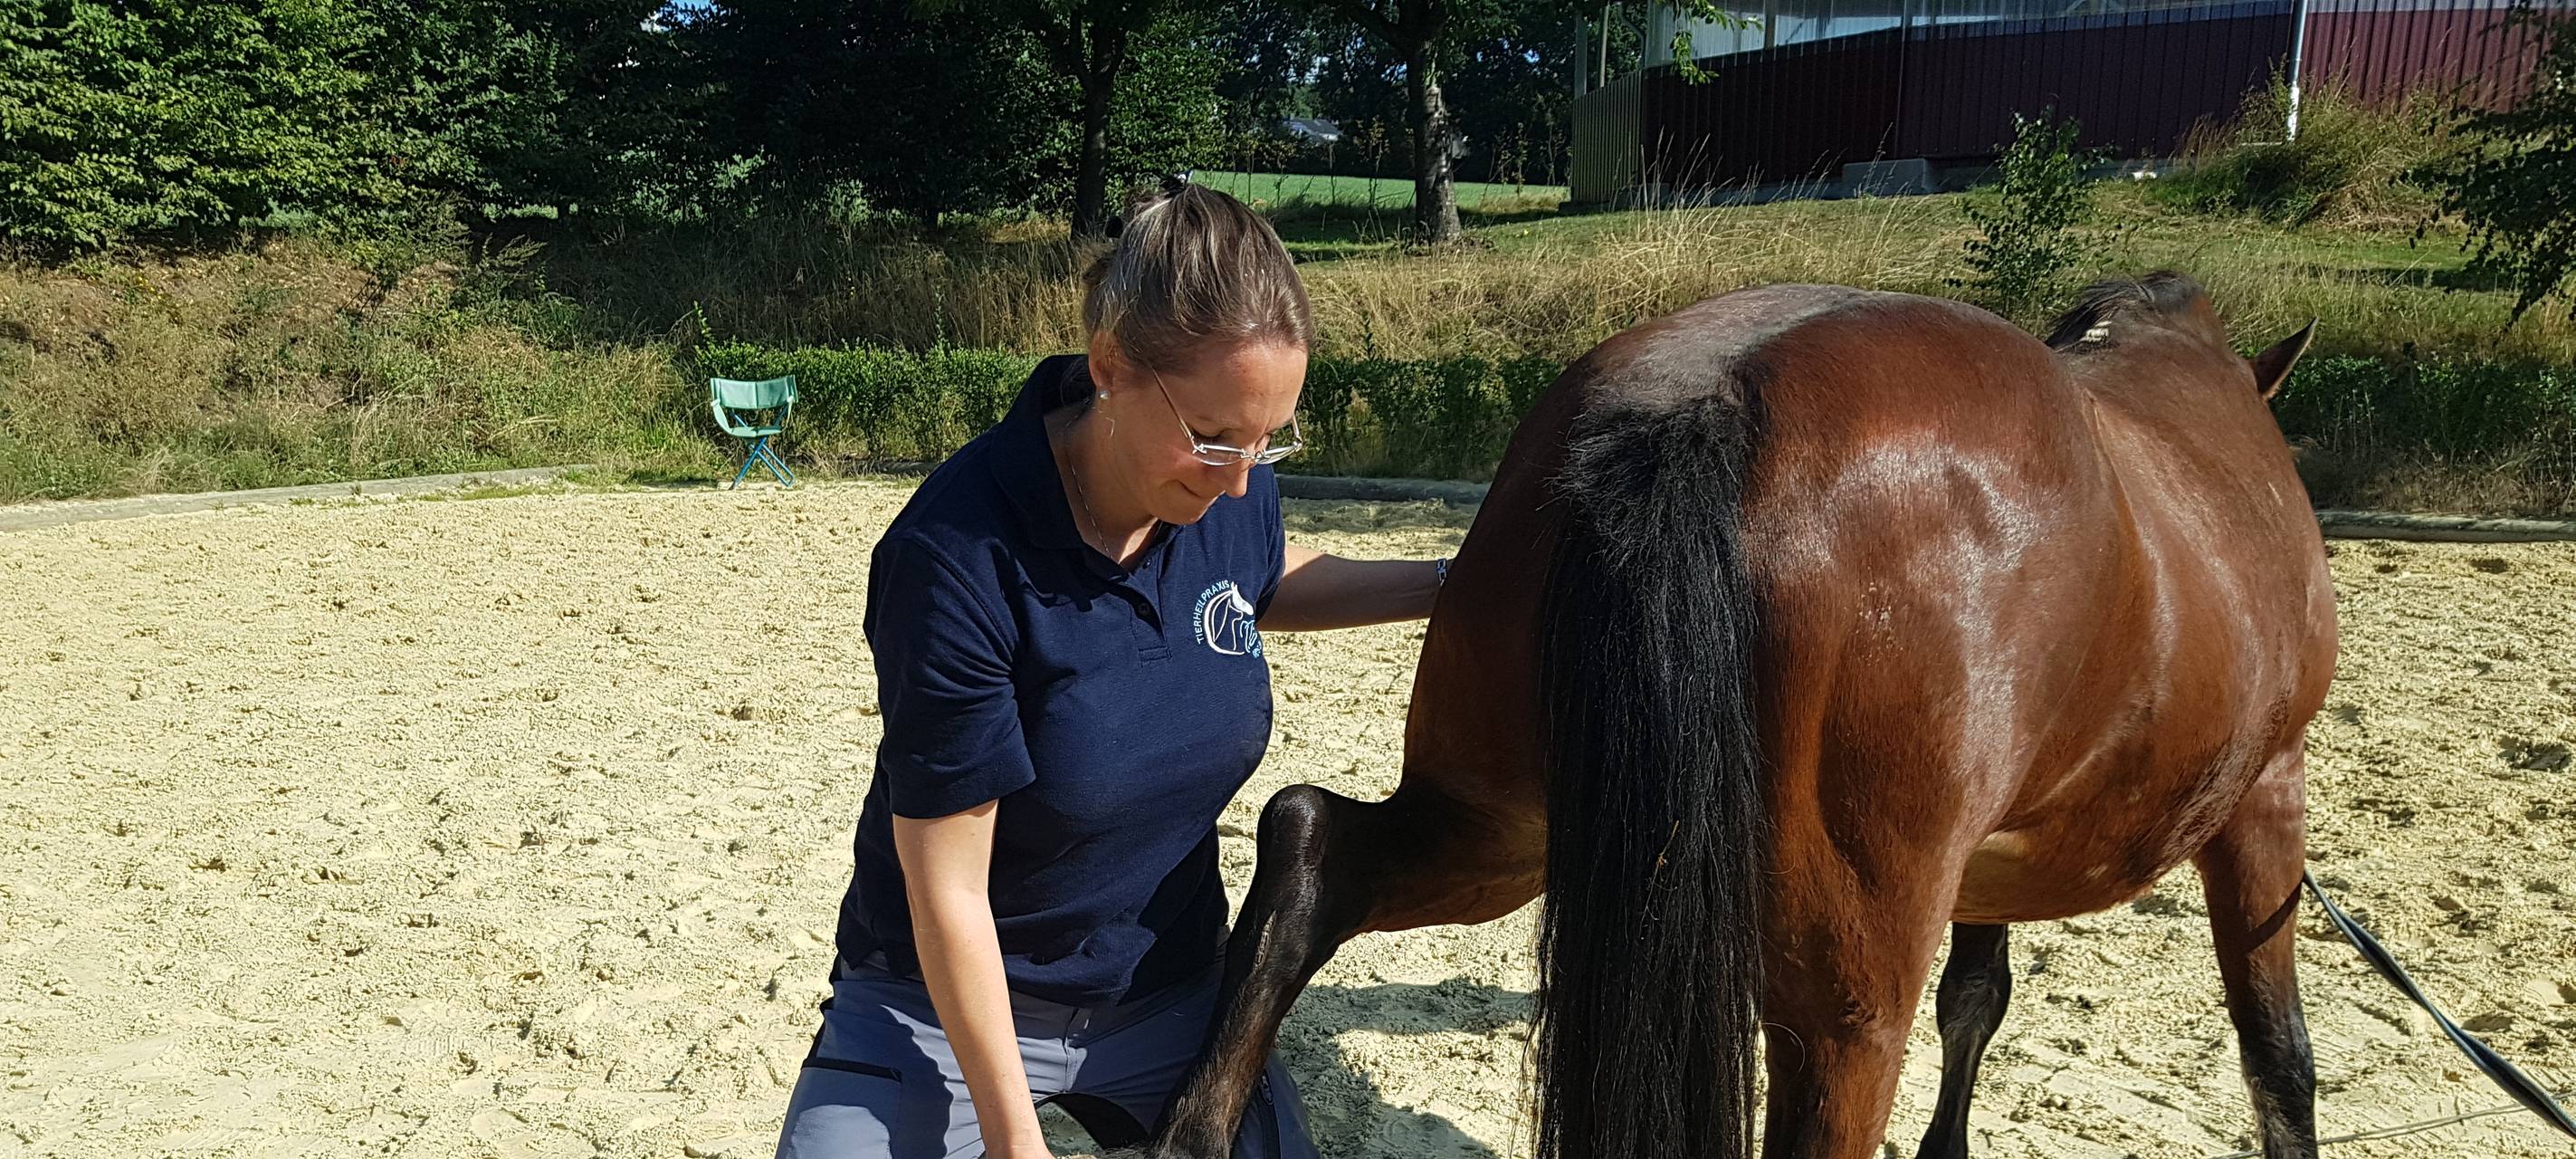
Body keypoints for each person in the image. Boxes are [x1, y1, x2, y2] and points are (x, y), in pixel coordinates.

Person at [775, 177, 1448, 1159]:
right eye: (1213, 436)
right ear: (1111, 366)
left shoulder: (1225, 491)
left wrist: (1455, 581)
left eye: (1270, 439)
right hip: (941, 1002)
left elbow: (1262, 575)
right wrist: (1016, 1141)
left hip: (1165, 989)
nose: (1241, 474)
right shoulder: (954, 557)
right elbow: (948, 893)